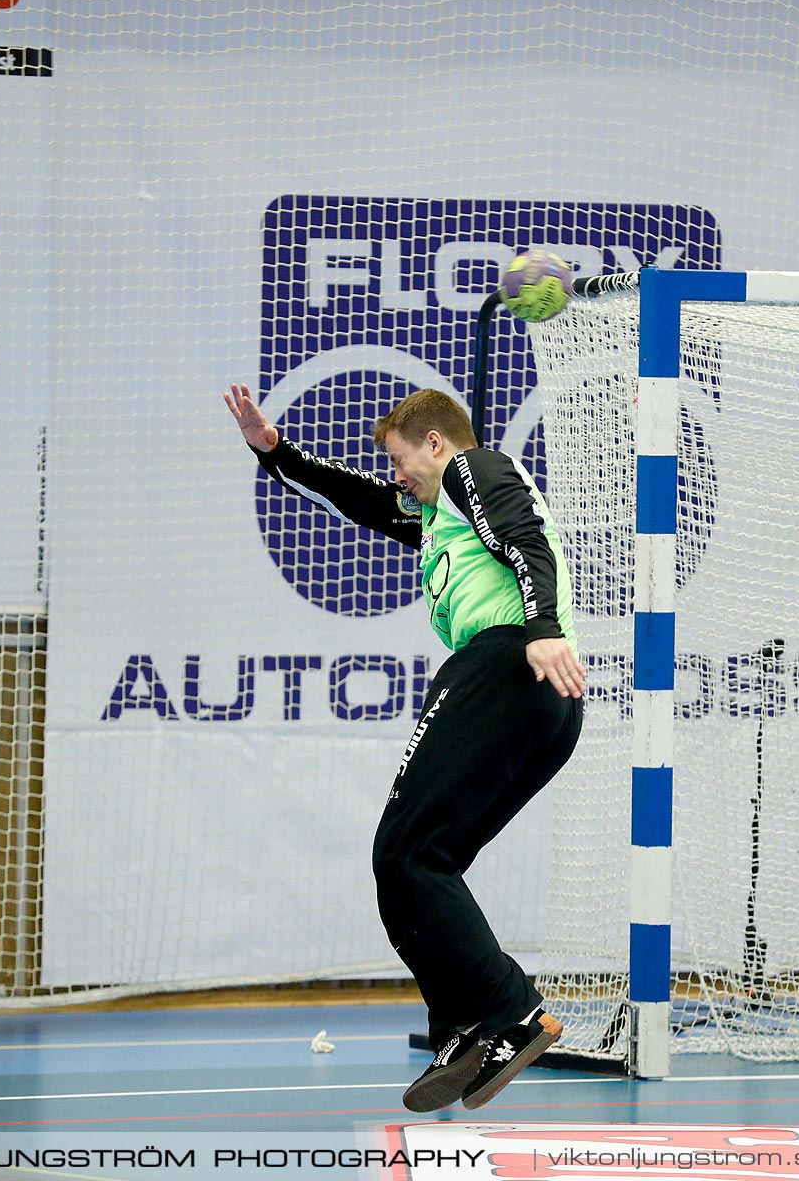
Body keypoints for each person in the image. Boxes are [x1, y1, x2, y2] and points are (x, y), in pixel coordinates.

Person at [224, 382, 584, 1111]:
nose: (393, 476)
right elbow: (354, 498)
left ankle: (510, 1008)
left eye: (397, 459)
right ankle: (460, 1027)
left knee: (406, 854)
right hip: (539, 697)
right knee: (418, 863)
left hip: (511, 663)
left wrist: (543, 626)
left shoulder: (472, 470)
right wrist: (276, 453)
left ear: (434, 443)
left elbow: (523, 534)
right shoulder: (439, 515)